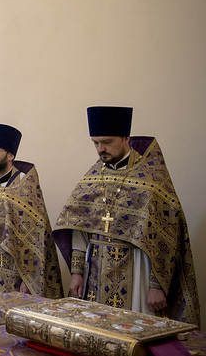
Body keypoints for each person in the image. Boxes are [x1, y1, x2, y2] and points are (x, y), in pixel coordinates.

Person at [54, 106, 200, 325]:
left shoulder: (151, 179)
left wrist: (156, 286)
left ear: (125, 138)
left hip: (137, 273)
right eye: (95, 143)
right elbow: (80, 229)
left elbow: (165, 238)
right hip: (95, 274)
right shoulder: (92, 178)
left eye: (106, 142)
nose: (100, 149)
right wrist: (76, 273)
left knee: (134, 334)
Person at [0, 124, 62, 299]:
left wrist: (29, 279)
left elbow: (37, 240)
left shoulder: (25, 190)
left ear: (11, 155)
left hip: (14, 275)